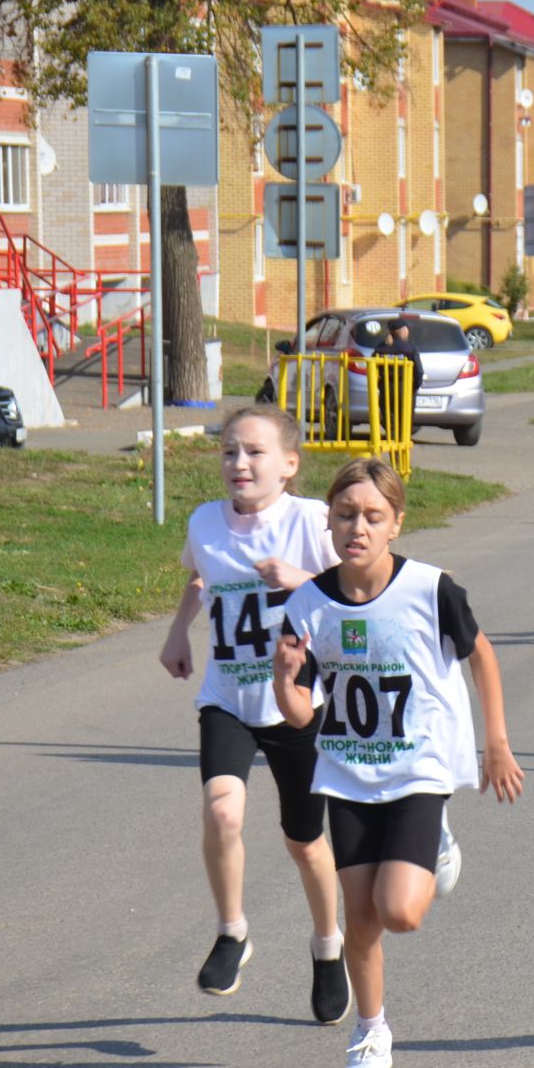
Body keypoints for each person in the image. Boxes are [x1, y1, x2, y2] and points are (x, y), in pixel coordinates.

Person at [273, 458, 525, 1068]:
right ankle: (371, 1031)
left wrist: (495, 742)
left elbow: (482, 656)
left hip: (419, 770)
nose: (357, 526)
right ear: (328, 522)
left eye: (372, 516)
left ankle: (436, 838)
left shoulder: (432, 589)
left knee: (401, 913)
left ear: (396, 525)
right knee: (360, 920)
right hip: (349, 773)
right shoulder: (307, 604)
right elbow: (303, 714)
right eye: (345, 514)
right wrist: (284, 680)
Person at [159, 405, 355, 1024]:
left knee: (305, 842)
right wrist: (178, 633)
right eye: (227, 451)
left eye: (254, 452)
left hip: (296, 703)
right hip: (228, 697)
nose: (238, 463)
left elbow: (357, 585)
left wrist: (301, 577)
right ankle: (232, 932)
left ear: (289, 466)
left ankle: (328, 949)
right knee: (222, 811)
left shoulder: (311, 522)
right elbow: (201, 579)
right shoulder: (205, 522)